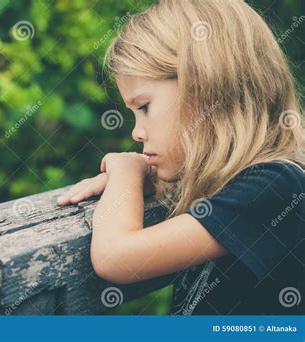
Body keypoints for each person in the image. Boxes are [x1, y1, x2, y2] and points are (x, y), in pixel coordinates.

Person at [56, 0, 304, 315]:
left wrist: (125, 172)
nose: (136, 133)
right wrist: (142, 178)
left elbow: (116, 258)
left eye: (144, 107)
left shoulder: (277, 186)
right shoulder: (235, 184)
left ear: (206, 89)